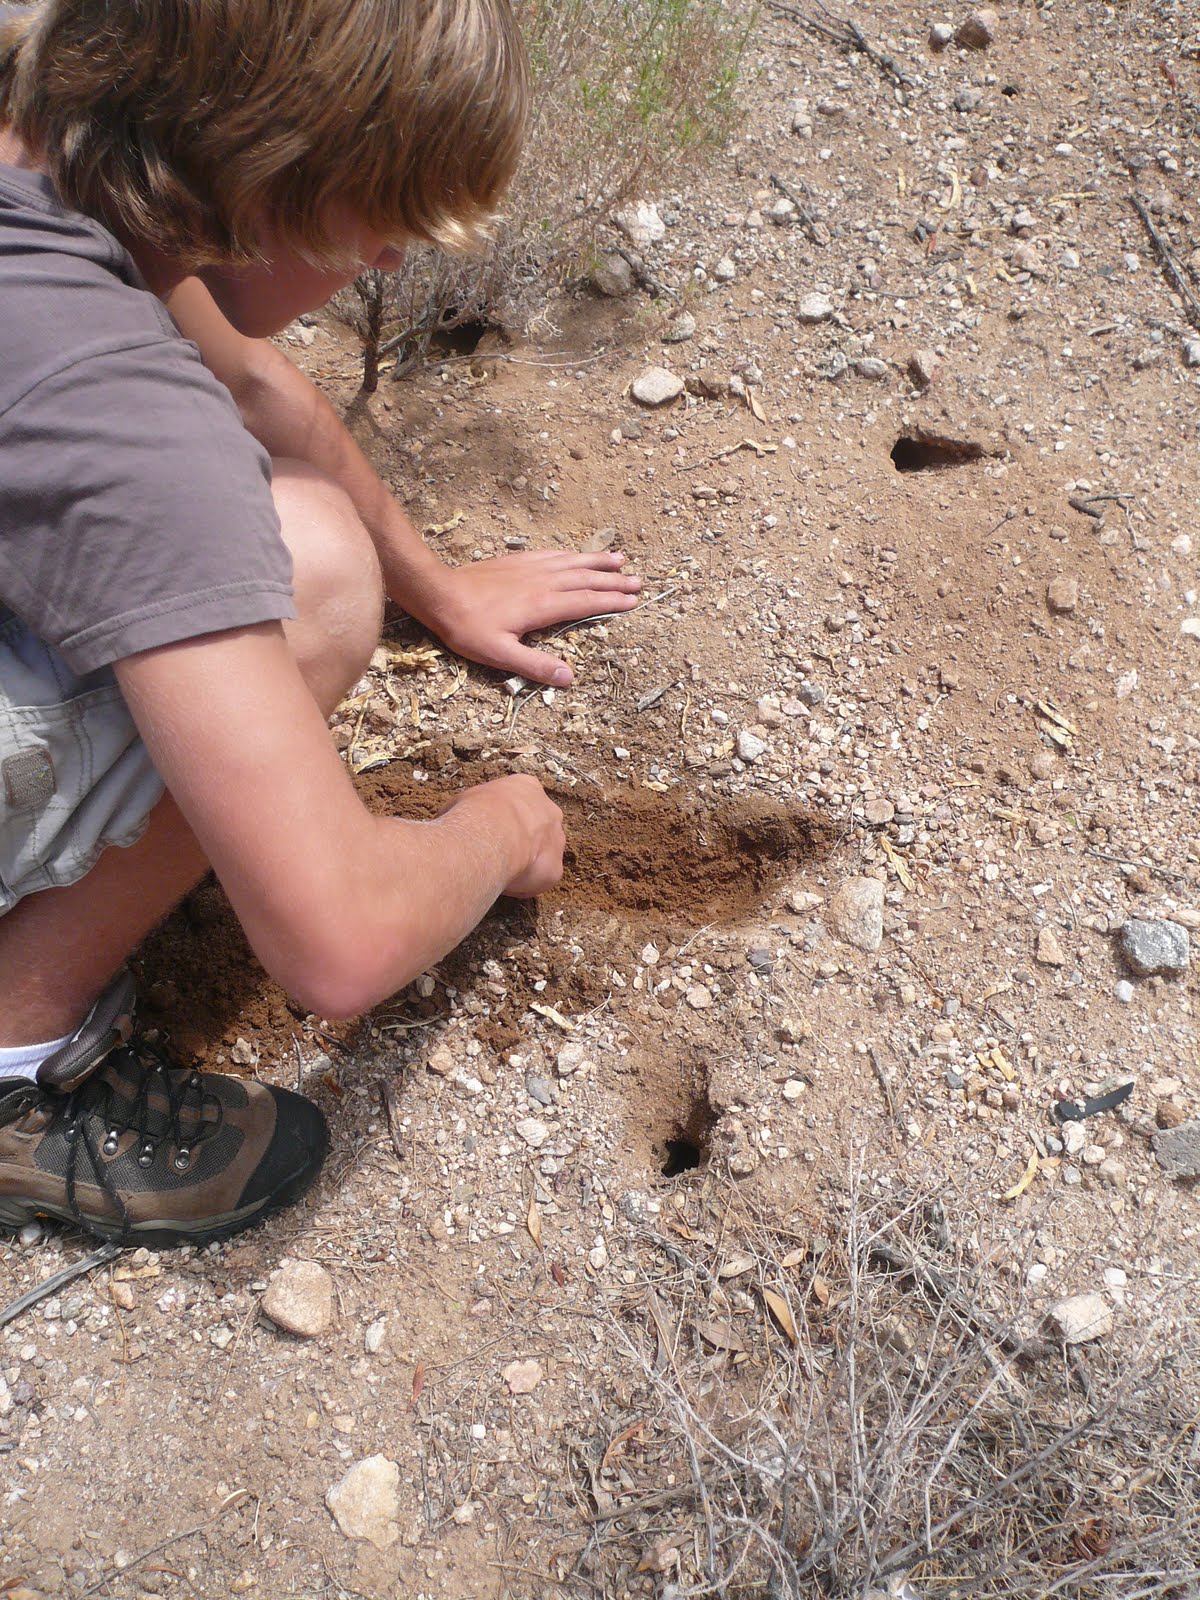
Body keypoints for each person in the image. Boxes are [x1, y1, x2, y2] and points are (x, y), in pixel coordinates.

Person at [0, 0, 640, 1247]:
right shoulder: (131, 424)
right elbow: (338, 944)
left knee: (332, 556)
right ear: (268, 176)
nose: (394, 269)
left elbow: (249, 376)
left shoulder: (54, 126)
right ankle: (15, 1057)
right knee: (311, 577)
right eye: (381, 230)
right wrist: (499, 830)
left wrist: (439, 586)